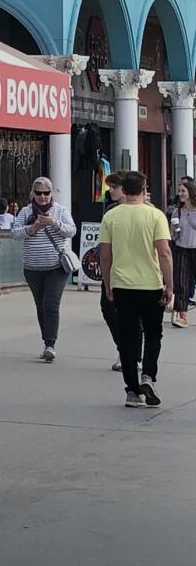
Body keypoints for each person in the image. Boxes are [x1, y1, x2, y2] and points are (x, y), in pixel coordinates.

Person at [99, 171, 171, 408]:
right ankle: (148, 375)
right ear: (143, 190)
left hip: (122, 285)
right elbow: (164, 252)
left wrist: (108, 283)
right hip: (151, 284)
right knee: (153, 334)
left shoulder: (111, 217)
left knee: (128, 338)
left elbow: (105, 254)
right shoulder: (156, 215)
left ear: (124, 190)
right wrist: (169, 285)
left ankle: (132, 391)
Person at [11, 177, 76, 362]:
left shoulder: (60, 211)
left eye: (46, 193)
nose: (42, 197)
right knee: (40, 305)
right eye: (38, 193)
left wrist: (53, 223)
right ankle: (46, 340)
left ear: (51, 194)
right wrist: (33, 227)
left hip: (56, 267)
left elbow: (72, 231)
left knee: (50, 304)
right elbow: (15, 233)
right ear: (33, 193)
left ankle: (50, 344)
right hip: (33, 268)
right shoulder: (25, 212)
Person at [101, 173, 139, 372]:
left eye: (114, 187)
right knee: (109, 309)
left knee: (132, 314)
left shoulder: (147, 210)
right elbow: (105, 246)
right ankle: (124, 349)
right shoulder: (110, 211)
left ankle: (134, 355)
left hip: (137, 268)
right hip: (115, 268)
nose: (111, 191)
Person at [168, 178, 196, 328]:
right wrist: (174, 232)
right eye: (179, 191)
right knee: (181, 282)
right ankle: (182, 315)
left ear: (191, 192)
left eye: (183, 191)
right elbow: (174, 236)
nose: (180, 194)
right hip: (182, 248)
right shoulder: (177, 212)